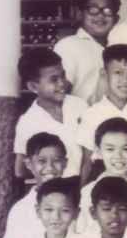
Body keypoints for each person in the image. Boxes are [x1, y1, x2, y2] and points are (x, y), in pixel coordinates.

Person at [77, 117, 127, 238]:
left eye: (126, 149)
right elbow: (83, 233)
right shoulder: (87, 191)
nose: (118, 156)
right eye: (110, 149)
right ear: (98, 151)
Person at [76, 44, 127, 185]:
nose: (125, 80)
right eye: (118, 73)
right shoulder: (92, 114)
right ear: (104, 74)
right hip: (101, 173)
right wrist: (81, 191)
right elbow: (87, 161)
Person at [14, 48, 86, 179]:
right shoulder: (28, 122)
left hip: (84, 184)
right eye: (54, 80)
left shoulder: (80, 106)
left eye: (63, 75)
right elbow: (20, 170)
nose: (62, 83)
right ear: (33, 87)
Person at [2, 132, 68, 238]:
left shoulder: (78, 202)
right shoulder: (21, 210)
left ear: (65, 163)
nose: (50, 167)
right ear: (28, 164)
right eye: (42, 161)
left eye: (56, 160)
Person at [54, 0, 120, 105]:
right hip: (80, 120)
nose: (100, 15)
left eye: (108, 10)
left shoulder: (118, 48)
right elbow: (58, 94)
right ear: (80, 14)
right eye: (93, 9)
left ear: (116, 18)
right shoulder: (69, 46)